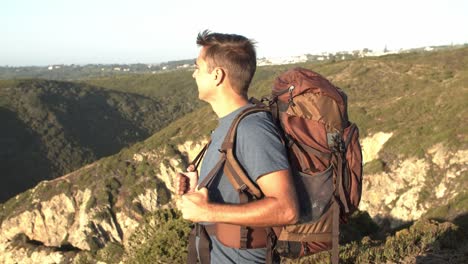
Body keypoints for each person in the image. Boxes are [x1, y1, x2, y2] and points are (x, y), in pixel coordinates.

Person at [176, 30, 299, 264]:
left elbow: (286, 209)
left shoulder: (252, 129)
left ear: (217, 76)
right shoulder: (230, 125)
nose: (193, 75)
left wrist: (207, 212)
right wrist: (200, 189)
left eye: (197, 68)